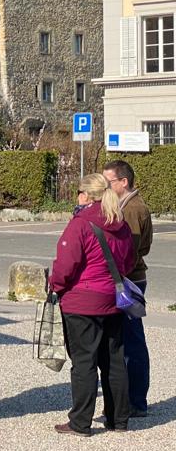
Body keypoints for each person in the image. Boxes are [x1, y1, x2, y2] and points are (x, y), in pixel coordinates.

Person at [49, 173, 134, 436]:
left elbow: (65, 265)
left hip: (82, 301)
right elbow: (129, 260)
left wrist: (55, 285)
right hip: (113, 299)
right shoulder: (119, 222)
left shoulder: (81, 223)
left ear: (85, 195)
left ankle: (80, 422)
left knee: (84, 361)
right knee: (113, 359)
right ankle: (118, 418)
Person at [102, 159, 153, 417]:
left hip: (128, 279)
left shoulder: (131, 209)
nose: (105, 187)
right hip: (130, 277)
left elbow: (129, 251)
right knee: (128, 338)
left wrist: (116, 277)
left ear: (123, 182)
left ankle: (135, 401)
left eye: (108, 182)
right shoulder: (127, 205)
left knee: (131, 341)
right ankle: (132, 399)